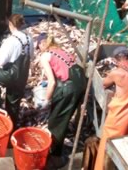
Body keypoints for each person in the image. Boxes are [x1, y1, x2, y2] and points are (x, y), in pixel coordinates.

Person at [36, 33, 86, 168]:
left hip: (69, 86)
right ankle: (58, 147)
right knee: (64, 117)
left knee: (55, 121)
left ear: (42, 44)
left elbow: (52, 82)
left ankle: (56, 157)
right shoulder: (60, 51)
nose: (39, 50)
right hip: (81, 82)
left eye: (38, 46)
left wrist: (46, 101)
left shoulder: (45, 56)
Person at [0, 14, 34, 126]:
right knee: (13, 106)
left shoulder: (11, 40)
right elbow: (31, 56)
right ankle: (11, 128)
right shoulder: (29, 38)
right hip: (22, 77)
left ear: (10, 24)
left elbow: (0, 61)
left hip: (10, 75)